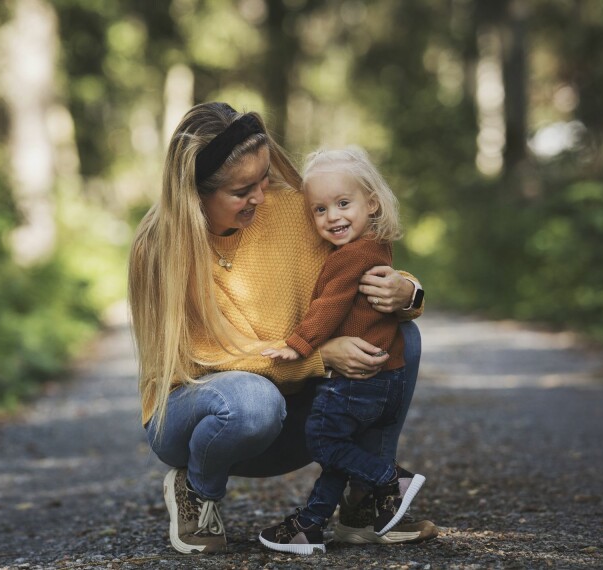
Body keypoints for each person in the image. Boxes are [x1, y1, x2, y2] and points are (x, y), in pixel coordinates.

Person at [128, 102, 432, 555]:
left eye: (265, 178)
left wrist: (407, 291)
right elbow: (201, 358)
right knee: (252, 400)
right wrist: (320, 357)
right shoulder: (160, 249)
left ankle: (365, 501)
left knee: (400, 337)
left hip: (291, 415)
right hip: (193, 415)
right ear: (196, 193)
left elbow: (354, 264)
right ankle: (198, 489)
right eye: (242, 190)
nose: (261, 196)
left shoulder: (291, 210)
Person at [256, 147, 425, 555]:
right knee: (336, 452)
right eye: (320, 209)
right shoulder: (373, 245)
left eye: (343, 204)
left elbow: (329, 306)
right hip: (383, 376)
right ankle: (311, 526)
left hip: (357, 380)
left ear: (372, 203)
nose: (332, 217)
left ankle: (389, 478)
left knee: (321, 440)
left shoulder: (352, 256)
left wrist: (299, 344)